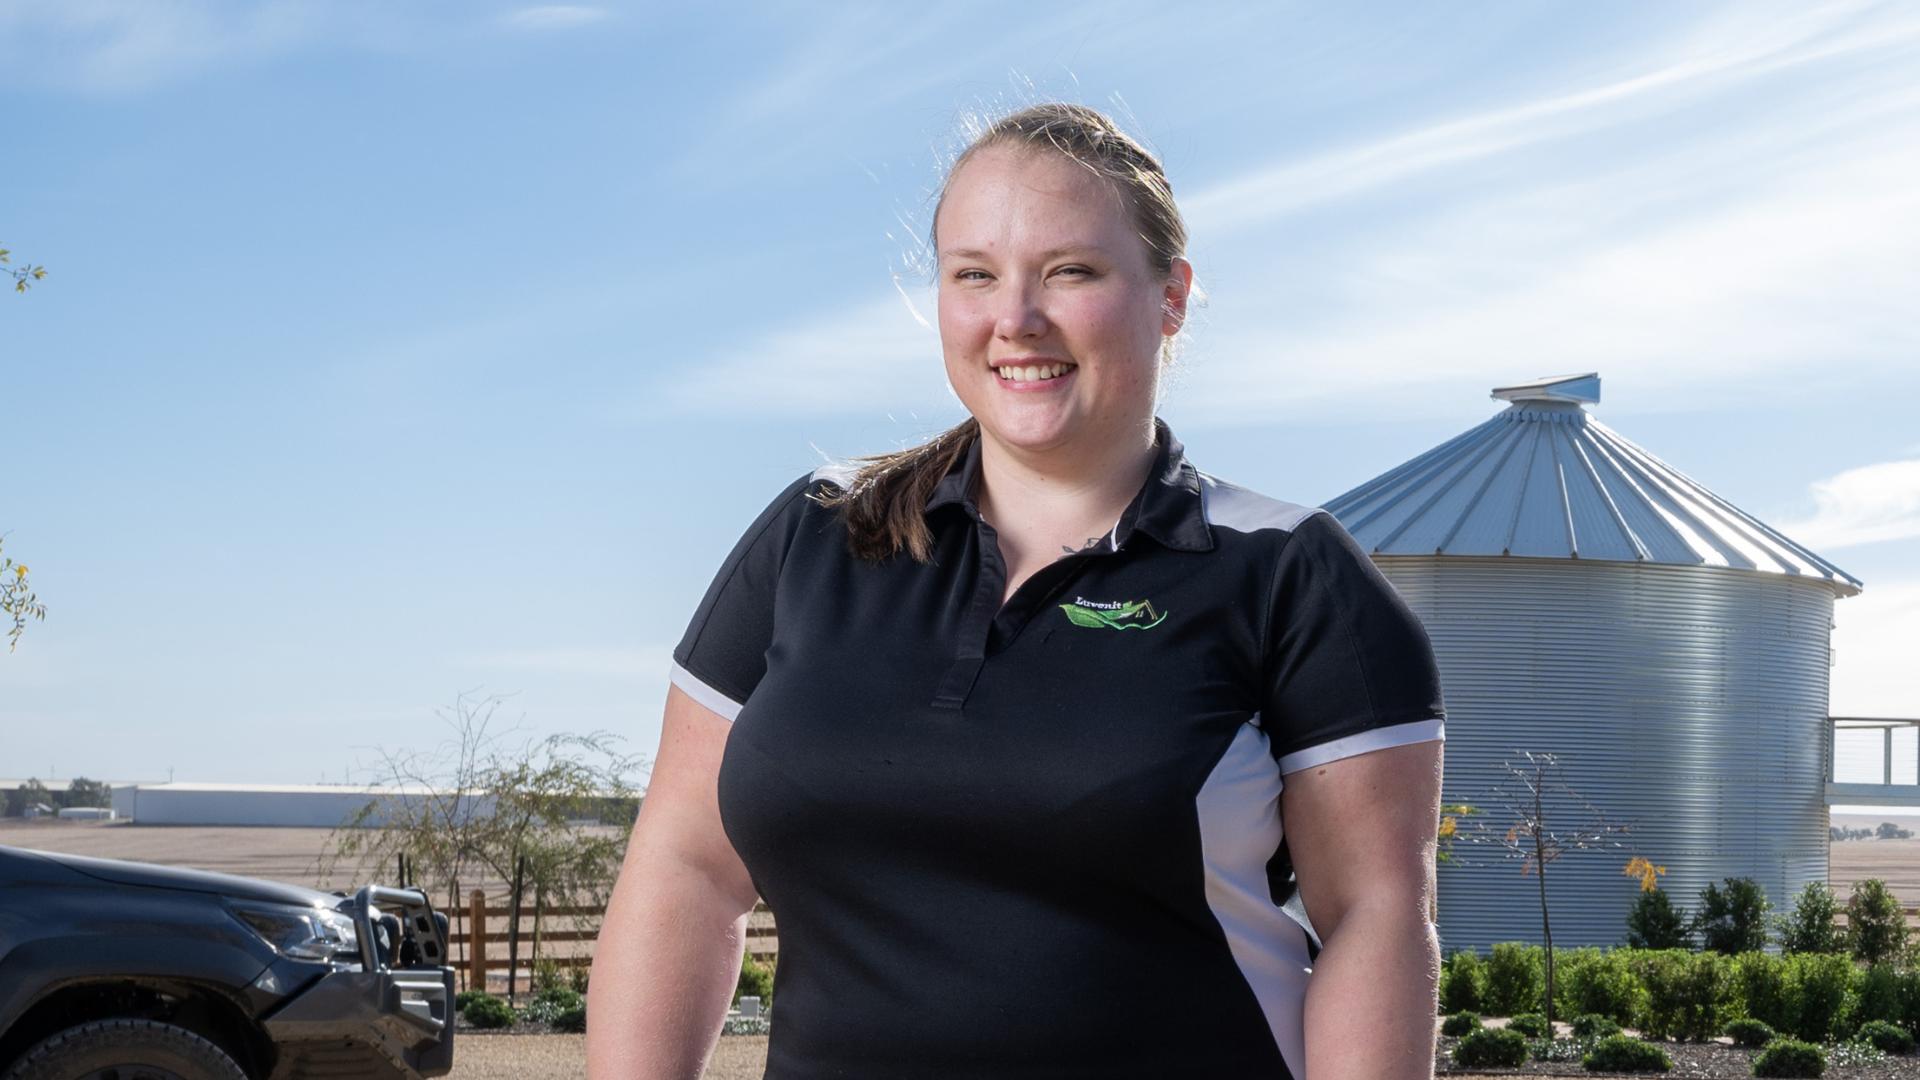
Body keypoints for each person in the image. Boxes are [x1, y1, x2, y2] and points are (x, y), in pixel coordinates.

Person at [588, 103, 1446, 1080]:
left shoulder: (1291, 576)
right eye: (975, 276)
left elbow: (1375, 915)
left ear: (1170, 295)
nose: (1015, 318)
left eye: (1070, 271)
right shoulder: (813, 540)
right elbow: (686, 873)